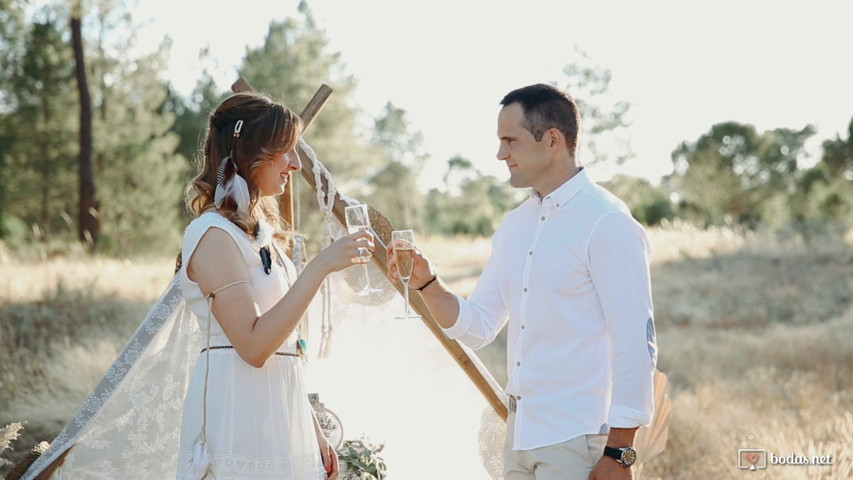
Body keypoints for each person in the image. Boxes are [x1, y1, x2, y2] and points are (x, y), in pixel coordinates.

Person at [388, 83, 656, 480]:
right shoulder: (515, 226)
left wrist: (620, 453)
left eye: (509, 140)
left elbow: (636, 343)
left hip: (578, 442)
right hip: (518, 441)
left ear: (552, 140)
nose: (500, 154)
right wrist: (427, 283)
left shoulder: (607, 223)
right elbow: (478, 326)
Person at [176, 91, 374, 480]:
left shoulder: (263, 236)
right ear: (248, 152)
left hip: (282, 415)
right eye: (285, 151)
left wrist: (312, 429)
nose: (296, 164)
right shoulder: (212, 235)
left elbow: (284, 345)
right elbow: (253, 346)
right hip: (239, 417)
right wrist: (319, 268)